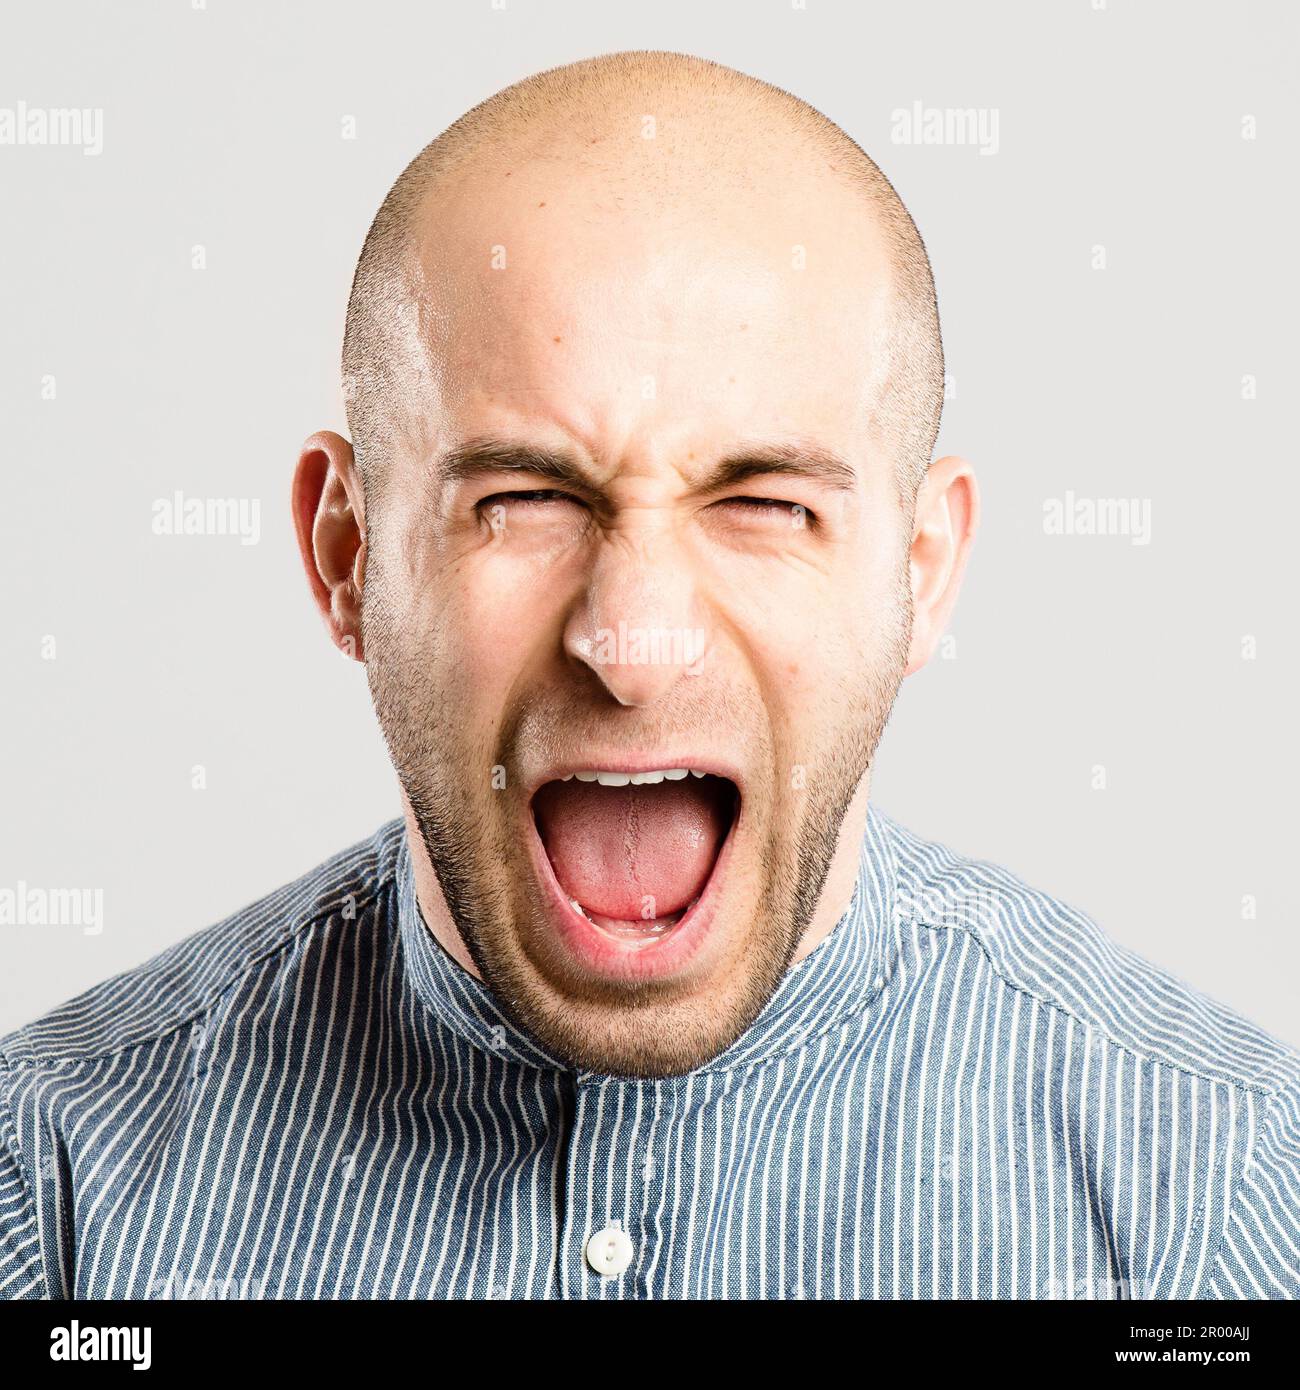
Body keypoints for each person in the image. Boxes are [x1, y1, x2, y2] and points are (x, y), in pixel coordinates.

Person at [2, 50, 1296, 1301]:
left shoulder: (1217, 1190)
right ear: (346, 553)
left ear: (922, 568)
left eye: (765, 504)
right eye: (522, 500)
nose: (633, 640)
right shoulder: (55, 1183)